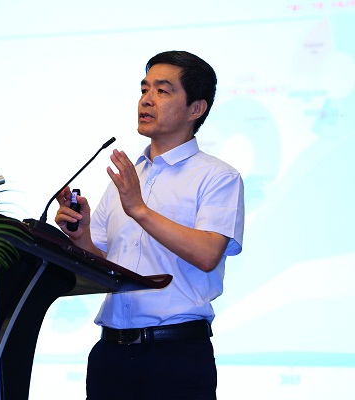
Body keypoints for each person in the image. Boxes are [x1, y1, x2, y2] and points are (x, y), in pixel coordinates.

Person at [54, 50, 245, 399]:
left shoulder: (218, 177)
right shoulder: (128, 178)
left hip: (176, 357)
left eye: (162, 91)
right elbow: (104, 264)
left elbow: (207, 254)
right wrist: (80, 238)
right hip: (110, 355)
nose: (146, 99)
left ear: (196, 109)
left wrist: (139, 209)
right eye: (144, 89)